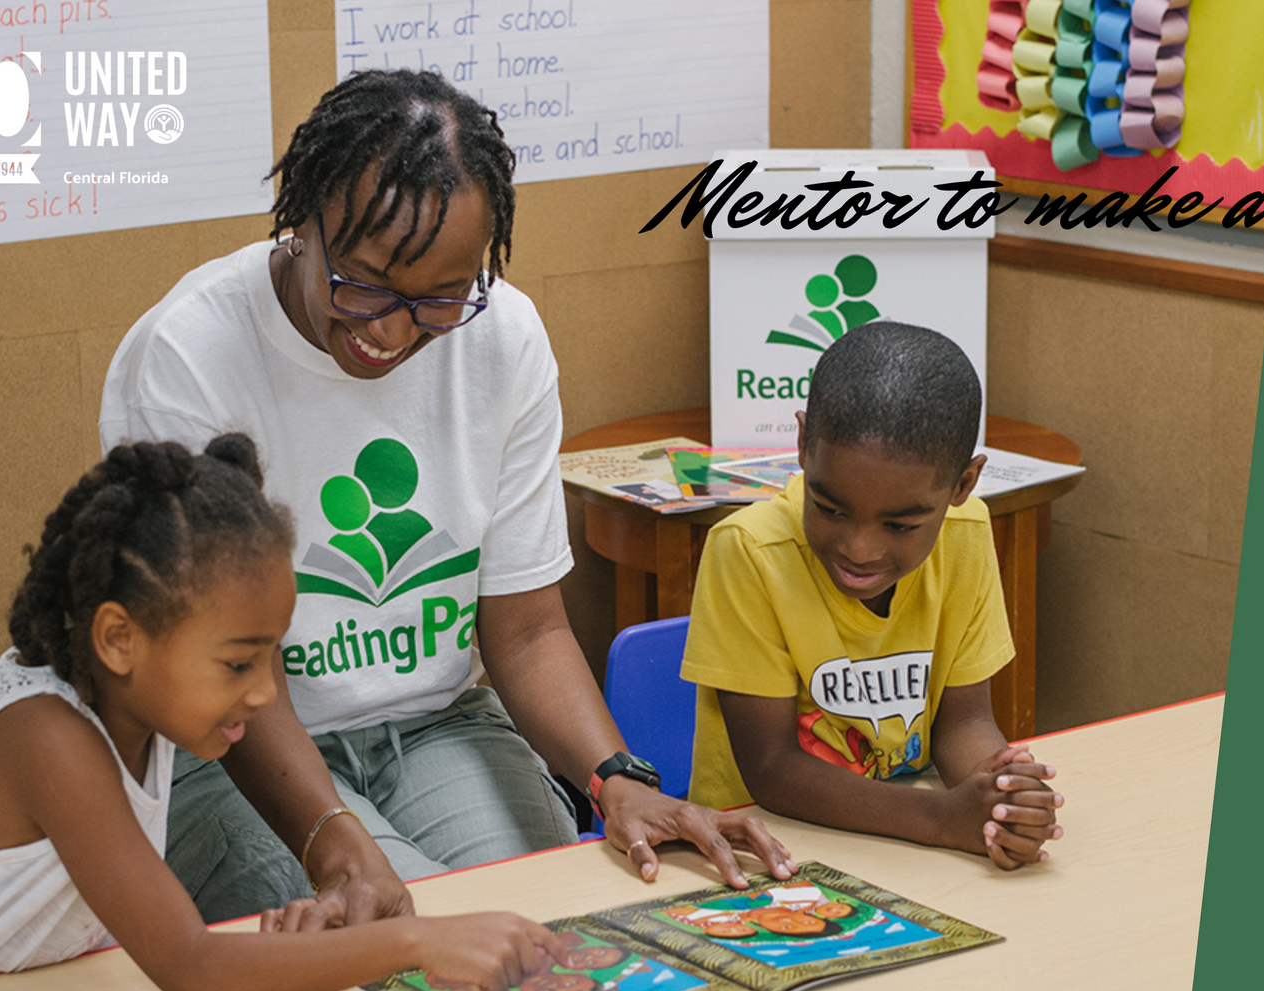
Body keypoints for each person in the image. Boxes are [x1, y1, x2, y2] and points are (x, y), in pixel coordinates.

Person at [98, 69, 791, 926]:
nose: (391, 331)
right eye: (364, 284)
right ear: (301, 219)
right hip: (223, 745)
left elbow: (529, 631)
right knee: (421, 949)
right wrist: (341, 847)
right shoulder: (190, 357)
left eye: (437, 299)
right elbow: (231, 671)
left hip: (439, 727)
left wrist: (619, 780)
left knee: (573, 918)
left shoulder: (505, 340)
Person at [0, 438, 566, 991]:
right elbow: (194, 971)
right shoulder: (49, 739)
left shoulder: (141, 717)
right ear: (119, 640)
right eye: (238, 665)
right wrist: (420, 943)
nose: (265, 695)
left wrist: (308, 948)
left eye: (274, 659)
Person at [680, 321, 1063, 869]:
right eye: (830, 509)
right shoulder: (749, 550)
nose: (859, 549)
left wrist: (1000, 799)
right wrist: (941, 820)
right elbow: (770, 768)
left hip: (898, 845)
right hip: (762, 853)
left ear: (963, 485)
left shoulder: (968, 535)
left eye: (900, 526)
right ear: (802, 446)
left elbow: (964, 723)